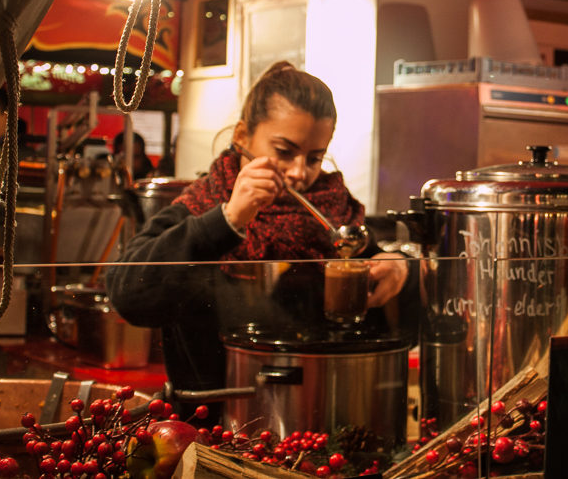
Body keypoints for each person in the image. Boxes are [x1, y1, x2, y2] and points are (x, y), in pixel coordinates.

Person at [104, 62, 412, 410]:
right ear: (241, 137)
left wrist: (399, 266)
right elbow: (128, 296)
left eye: (315, 158)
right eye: (284, 152)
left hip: (320, 417)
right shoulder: (199, 207)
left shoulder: (333, 215)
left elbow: (382, 295)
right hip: (213, 422)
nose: (299, 173)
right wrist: (229, 218)